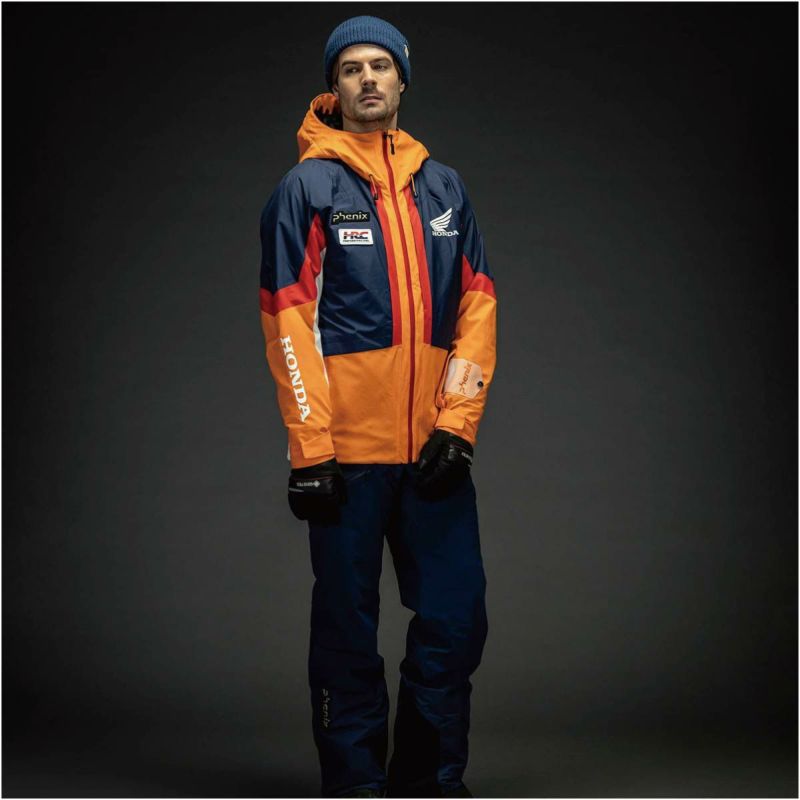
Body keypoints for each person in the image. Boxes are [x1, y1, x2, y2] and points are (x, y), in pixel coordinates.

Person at [258, 15, 497, 799]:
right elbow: (288, 321)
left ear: (402, 81)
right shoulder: (307, 189)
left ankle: (429, 782)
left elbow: (478, 309)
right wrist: (311, 451)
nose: (368, 78)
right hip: (346, 461)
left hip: (433, 456)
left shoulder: (444, 187)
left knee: (456, 620)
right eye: (352, 67)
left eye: (381, 66)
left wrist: (457, 427)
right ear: (334, 86)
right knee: (346, 633)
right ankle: (356, 785)